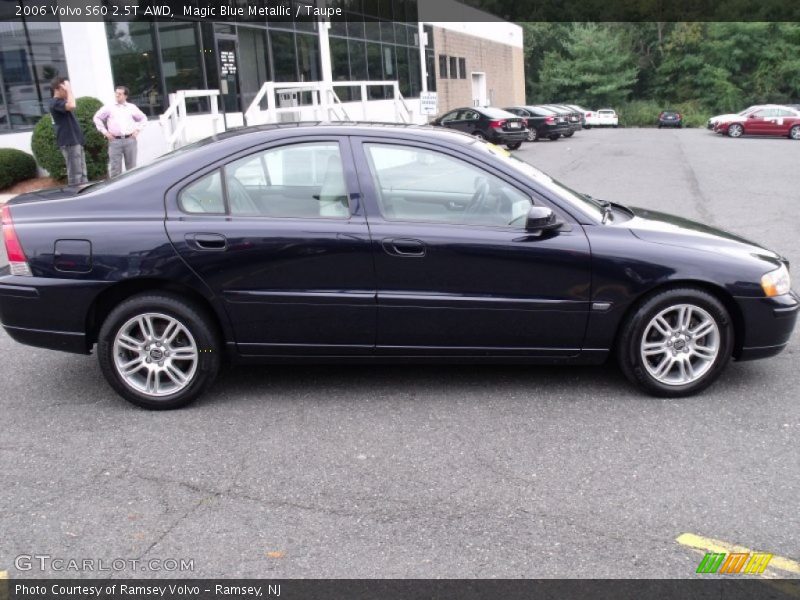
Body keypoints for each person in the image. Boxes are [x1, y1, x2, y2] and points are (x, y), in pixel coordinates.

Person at [93, 86, 147, 178]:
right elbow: (96, 117)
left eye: (120, 94)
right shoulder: (109, 107)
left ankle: (132, 188)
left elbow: (143, 118)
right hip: (114, 141)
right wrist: (105, 132)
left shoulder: (131, 107)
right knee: (115, 169)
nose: (117, 95)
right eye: (116, 93)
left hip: (130, 140)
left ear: (125, 96)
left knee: (132, 168)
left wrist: (138, 130)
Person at [49, 77, 87, 186]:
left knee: (83, 174)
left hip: (76, 141)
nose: (67, 91)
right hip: (69, 143)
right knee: (75, 175)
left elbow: (71, 104)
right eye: (64, 89)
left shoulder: (62, 102)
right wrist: (69, 89)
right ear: (58, 89)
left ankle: (86, 197)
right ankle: (74, 198)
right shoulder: (55, 103)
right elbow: (72, 105)